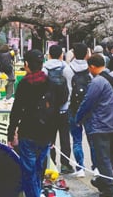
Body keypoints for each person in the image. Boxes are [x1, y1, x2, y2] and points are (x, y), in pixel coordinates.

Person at [74, 54, 113, 197]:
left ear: (92, 67)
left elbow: (87, 102)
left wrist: (78, 117)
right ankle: (104, 181)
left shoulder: (97, 82)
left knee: (103, 158)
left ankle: (109, 190)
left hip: (101, 124)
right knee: (110, 157)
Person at [7, 49, 56, 197]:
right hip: (45, 132)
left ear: (27, 64)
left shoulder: (24, 84)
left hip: (27, 131)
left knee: (29, 170)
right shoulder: (50, 82)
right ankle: (36, 192)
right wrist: (53, 135)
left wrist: (11, 132)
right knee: (39, 168)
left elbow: (16, 110)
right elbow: (54, 111)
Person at [42, 44, 72, 175]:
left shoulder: (44, 68)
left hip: (50, 109)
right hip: (64, 108)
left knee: (50, 137)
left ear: (49, 54)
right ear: (61, 55)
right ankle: (65, 164)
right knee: (65, 137)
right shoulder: (66, 67)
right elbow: (70, 88)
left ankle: (52, 163)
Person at [65, 42, 91, 177]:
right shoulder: (91, 68)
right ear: (87, 54)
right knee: (92, 139)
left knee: (76, 139)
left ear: (74, 53)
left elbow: (67, 90)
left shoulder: (68, 69)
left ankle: (80, 168)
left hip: (73, 107)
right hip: (89, 108)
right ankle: (96, 167)